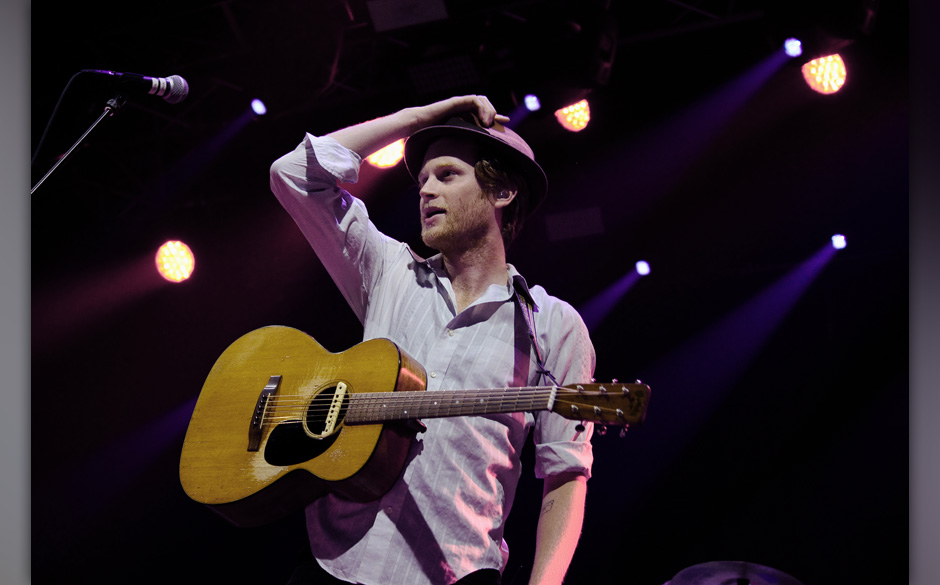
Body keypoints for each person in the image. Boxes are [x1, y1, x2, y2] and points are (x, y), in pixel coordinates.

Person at [269, 95, 596, 585]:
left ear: (502, 191)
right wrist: (417, 117)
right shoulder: (389, 272)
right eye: (421, 179)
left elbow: (565, 476)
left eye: (446, 175)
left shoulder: (552, 325)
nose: (425, 191)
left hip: (453, 575)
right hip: (330, 565)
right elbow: (293, 173)